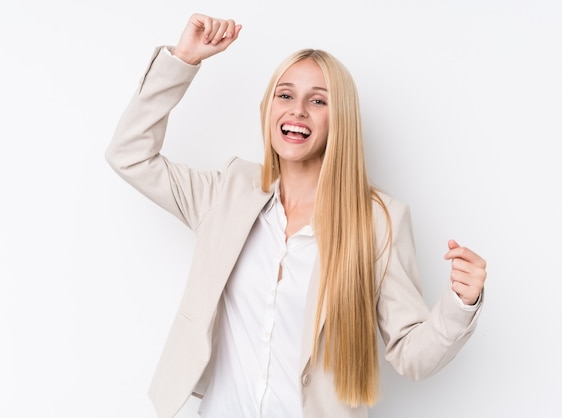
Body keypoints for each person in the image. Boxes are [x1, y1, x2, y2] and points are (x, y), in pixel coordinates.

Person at [105, 13, 487, 418]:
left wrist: (460, 304)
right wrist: (182, 59)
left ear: (340, 119)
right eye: (285, 95)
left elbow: (411, 355)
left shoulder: (379, 221)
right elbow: (129, 155)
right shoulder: (228, 191)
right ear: (268, 109)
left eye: (318, 100)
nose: (298, 110)